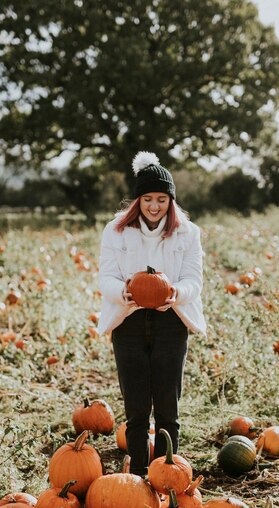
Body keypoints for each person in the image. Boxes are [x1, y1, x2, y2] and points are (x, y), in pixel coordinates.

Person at [97, 151, 206, 477]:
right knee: (136, 409)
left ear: (171, 200)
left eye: (161, 199)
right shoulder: (115, 231)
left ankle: (164, 474)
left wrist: (176, 293)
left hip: (170, 322)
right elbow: (106, 277)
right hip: (128, 321)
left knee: (168, 408)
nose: (155, 206)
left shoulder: (188, 232)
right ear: (138, 200)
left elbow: (194, 280)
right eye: (148, 199)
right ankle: (138, 476)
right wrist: (123, 292)